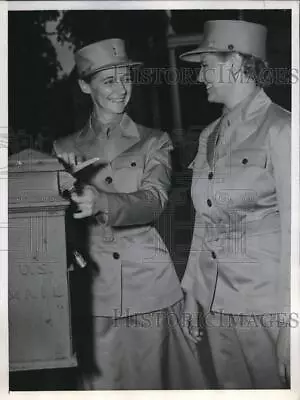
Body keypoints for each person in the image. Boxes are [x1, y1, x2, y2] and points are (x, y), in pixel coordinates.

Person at [53, 38, 206, 390]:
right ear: (84, 85)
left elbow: (154, 200)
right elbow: (52, 224)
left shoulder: (154, 140)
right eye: (109, 80)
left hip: (147, 286)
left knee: (153, 383)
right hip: (93, 290)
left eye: (126, 78)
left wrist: (101, 202)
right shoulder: (62, 149)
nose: (121, 89)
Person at [179, 20, 291, 389]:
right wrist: (192, 294)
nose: (201, 78)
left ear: (236, 63)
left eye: (207, 66)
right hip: (216, 304)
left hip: (268, 309)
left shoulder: (282, 129)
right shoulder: (210, 135)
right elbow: (203, 221)